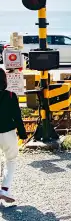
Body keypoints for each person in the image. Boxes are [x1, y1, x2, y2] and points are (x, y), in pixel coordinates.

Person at [0, 68, 28, 204]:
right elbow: (17, 117)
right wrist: (23, 134)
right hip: (7, 133)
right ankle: (4, 189)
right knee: (10, 160)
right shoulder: (11, 95)